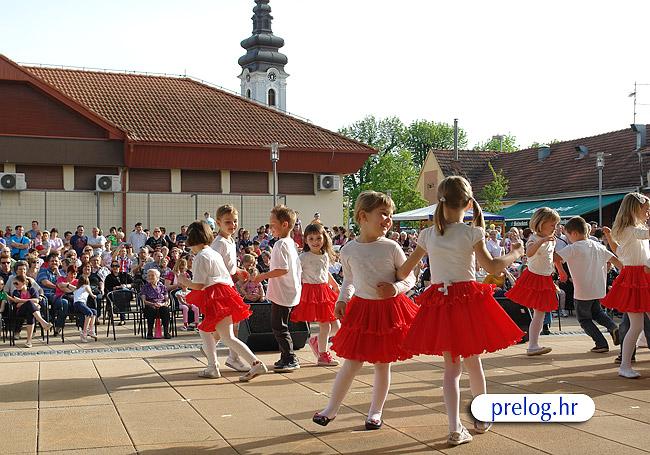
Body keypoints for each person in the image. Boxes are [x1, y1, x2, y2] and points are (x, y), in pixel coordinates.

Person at [397, 176, 526, 445]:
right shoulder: (472, 233)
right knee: (473, 363)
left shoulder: (428, 235)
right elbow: (492, 267)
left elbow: (404, 270)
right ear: (468, 204)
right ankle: (482, 417)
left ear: (439, 201)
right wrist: (516, 253)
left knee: (451, 369)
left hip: (440, 303)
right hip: (466, 301)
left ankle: (454, 427)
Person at [312, 191, 418, 431]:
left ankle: (375, 412)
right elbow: (350, 280)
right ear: (363, 216)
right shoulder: (349, 250)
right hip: (362, 310)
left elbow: (409, 277)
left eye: (390, 215)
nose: (388, 220)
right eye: (383, 214)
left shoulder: (391, 247)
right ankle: (331, 408)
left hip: (388, 310)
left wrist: (395, 288)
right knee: (352, 362)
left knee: (382, 363)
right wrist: (342, 299)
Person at [178, 220, 267, 382]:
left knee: (226, 337)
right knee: (211, 332)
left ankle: (251, 363)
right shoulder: (213, 253)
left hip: (217, 297)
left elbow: (199, 284)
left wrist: (185, 282)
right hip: (225, 294)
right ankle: (214, 366)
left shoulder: (200, 257)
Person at [601, 193, 650, 378]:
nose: (648, 213)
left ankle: (625, 364)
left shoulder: (631, 230)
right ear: (635, 209)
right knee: (635, 326)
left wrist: (609, 237)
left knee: (636, 326)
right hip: (636, 277)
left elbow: (620, 252)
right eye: (646, 210)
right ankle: (624, 365)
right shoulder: (631, 230)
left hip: (641, 276)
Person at [505, 207, 567, 356]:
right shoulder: (534, 238)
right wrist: (542, 241)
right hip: (534, 278)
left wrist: (560, 270)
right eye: (552, 224)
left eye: (556, 224)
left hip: (545, 278)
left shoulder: (551, 239)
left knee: (540, 314)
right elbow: (530, 252)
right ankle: (533, 345)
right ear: (541, 223)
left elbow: (552, 257)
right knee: (539, 313)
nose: (555, 227)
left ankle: (533, 344)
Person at [557, 217, 621, 353]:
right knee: (597, 313)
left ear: (574, 233)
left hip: (582, 290)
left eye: (568, 235)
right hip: (598, 288)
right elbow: (615, 260)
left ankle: (601, 343)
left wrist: (561, 271)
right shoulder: (598, 246)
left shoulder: (573, 248)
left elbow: (556, 258)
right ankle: (613, 327)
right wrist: (625, 272)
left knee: (584, 319)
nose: (568, 239)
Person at [253, 205, 303, 372]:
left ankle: (290, 357)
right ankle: (285, 356)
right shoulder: (290, 243)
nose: (270, 228)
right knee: (281, 325)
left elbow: (282, 269)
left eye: (273, 224)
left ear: (285, 224)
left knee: (279, 326)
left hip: (283, 292)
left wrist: (263, 276)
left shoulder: (281, 244)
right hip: (289, 290)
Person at [290, 223, 341, 366]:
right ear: (306, 240)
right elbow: (296, 274)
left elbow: (325, 272)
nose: (315, 242)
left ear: (324, 238)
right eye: (311, 239)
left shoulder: (324, 255)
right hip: (312, 292)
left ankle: (316, 341)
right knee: (325, 326)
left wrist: (335, 285)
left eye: (318, 238)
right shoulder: (303, 257)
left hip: (325, 291)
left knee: (336, 327)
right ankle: (323, 355)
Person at [210, 204, 250, 372]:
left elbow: (229, 265)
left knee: (229, 323)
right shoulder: (219, 243)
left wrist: (238, 270)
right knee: (229, 323)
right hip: (221, 288)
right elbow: (214, 266)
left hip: (228, 285)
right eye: (228, 222)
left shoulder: (230, 240)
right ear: (218, 222)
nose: (232, 225)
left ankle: (211, 348)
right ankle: (232, 357)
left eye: (235, 221)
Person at [9, 275, 53, 348]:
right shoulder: (16, 292)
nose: (15, 285)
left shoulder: (32, 290)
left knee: (30, 313)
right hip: (20, 312)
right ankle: (43, 323)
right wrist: (30, 302)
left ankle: (29, 341)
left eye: (16, 283)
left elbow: (37, 300)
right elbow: (17, 305)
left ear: (24, 283)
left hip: (31, 312)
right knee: (30, 303)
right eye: (14, 284)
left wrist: (20, 300)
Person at [165, 258, 198, 331]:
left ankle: (192, 323)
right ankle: (187, 323)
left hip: (185, 293)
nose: (182, 269)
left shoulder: (186, 274)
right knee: (185, 305)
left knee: (191, 304)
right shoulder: (171, 274)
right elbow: (166, 287)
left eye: (183, 267)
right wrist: (177, 285)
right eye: (180, 267)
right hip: (175, 295)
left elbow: (190, 285)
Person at [140, 269, 171, 339]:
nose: (150, 277)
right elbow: (144, 301)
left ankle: (166, 332)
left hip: (161, 305)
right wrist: (153, 304)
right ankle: (150, 333)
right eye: (148, 276)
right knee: (151, 310)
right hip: (150, 305)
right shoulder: (145, 287)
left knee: (165, 310)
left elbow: (167, 300)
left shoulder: (163, 287)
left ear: (157, 277)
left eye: (152, 275)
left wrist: (162, 304)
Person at [72, 276, 98, 342]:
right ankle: (84, 332)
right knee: (89, 313)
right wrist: (92, 295)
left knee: (94, 311)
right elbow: (87, 288)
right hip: (79, 303)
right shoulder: (86, 286)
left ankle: (91, 330)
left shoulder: (77, 289)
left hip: (77, 305)